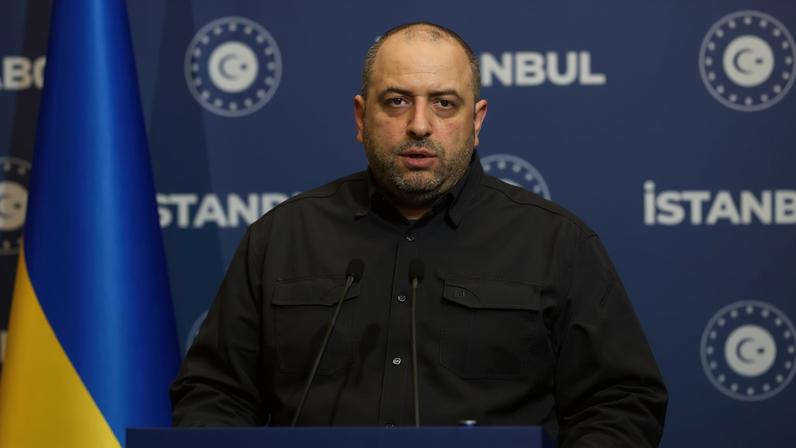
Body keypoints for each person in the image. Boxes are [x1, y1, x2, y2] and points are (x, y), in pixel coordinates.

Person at [170, 21, 668, 447]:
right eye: (397, 101)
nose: (420, 125)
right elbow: (215, 395)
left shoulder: (557, 243)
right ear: (362, 118)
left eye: (445, 104)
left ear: (477, 121)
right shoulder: (281, 238)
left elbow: (621, 402)